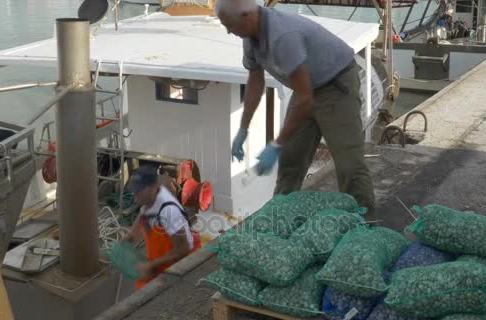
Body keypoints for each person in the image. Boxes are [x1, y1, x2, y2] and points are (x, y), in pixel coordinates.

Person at [215, 0, 377, 220]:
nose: (227, 31)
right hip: (305, 90)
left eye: (229, 25)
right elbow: (255, 82)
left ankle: (365, 223)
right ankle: (280, 217)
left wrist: (276, 143)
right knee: (291, 159)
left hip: (335, 86)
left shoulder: (283, 36)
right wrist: (243, 129)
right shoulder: (249, 37)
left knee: (349, 164)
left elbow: (305, 99)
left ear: (247, 16)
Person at [124, 165, 201, 290]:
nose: (135, 194)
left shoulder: (169, 212)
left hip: (179, 265)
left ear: (153, 188)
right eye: (134, 190)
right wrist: (131, 235)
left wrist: (150, 265)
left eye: (139, 190)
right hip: (159, 262)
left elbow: (183, 249)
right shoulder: (147, 200)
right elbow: (143, 214)